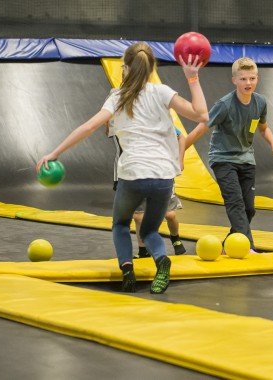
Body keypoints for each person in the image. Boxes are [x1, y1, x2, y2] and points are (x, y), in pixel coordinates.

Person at [37, 42, 208, 294]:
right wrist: (193, 78)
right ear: (152, 68)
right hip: (163, 176)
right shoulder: (162, 91)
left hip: (133, 174)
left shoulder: (117, 96)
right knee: (150, 229)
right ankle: (162, 260)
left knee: (120, 224)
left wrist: (54, 152)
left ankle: (127, 271)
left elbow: (88, 127)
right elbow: (201, 115)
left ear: (125, 68)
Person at [185, 57, 273, 252]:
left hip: (246, 159)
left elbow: (263, 128)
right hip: (223, 159)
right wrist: (181, 148)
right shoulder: (225, 105)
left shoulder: (260, 102)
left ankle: (230, 243)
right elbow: (203, 126)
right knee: (235, 203)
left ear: (257, 78)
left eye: (252, 78)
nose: (248, 83)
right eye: (243, 79)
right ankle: (248, 247)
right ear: (234, 80)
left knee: (249, 209)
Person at [107, 123, 187, 257]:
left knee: (169, 215)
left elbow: (181, 137)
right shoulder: (124, 121)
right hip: (136, 174)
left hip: (161, 173)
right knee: (138, 217)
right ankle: (143, 250)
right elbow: (109, 129)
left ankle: (175, 238)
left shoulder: (156, 118)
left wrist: (180, 159)